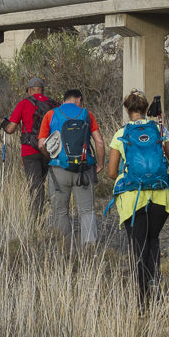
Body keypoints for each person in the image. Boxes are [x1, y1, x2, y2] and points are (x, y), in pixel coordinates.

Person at [107, 90, 169, 304]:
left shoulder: (121, 134)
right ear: (147, 109)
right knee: (153, 240)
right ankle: (153, 285)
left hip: (133, 199)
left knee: (138, 245)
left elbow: (111, 173)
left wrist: (127, 171)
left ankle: (141, 301)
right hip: (160, 196)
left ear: (127, 110)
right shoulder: (159, 129)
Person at [36, 89, 105, 246]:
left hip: (59, 170)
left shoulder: (51, 115)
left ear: (64, 100)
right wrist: (99, 164)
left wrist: (52, 158)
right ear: (79, 99)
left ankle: (65, 247)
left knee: (60, 211)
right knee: (87, 211)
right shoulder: (87, 114)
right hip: (84, 169)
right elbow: (99, 142)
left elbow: (41, 144)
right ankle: (89, 248)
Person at [1, 77, 58, 216]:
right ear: (42, 90)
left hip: (29, 151)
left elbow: (11, 129)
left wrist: (3, 124)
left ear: (29, 90)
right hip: (48, 150)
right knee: (45, 184)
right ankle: (50, 213)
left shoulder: (23, 103)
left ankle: (36, 218)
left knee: (35, 185)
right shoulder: (54, 104)